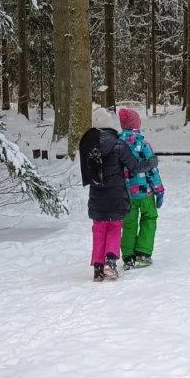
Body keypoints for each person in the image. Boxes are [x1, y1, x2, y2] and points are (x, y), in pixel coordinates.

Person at [78, 107, 144, 281]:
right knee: (114, 228)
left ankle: (98, 268)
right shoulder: (118, 144)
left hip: (97, 196)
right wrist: (151, 162)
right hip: (116, 196)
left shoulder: (88, 144)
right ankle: (110, 261)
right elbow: (135, 167)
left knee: (99, 230)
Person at [117, 107, 164, 269]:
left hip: (126, 194)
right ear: (137, 124)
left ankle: (128, 256)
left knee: (128, 223)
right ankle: (143, 252)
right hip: (145, 193)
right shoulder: (143, 145)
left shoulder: (117, 144)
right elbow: (152, 170)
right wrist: (159, 190)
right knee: (149, 218)